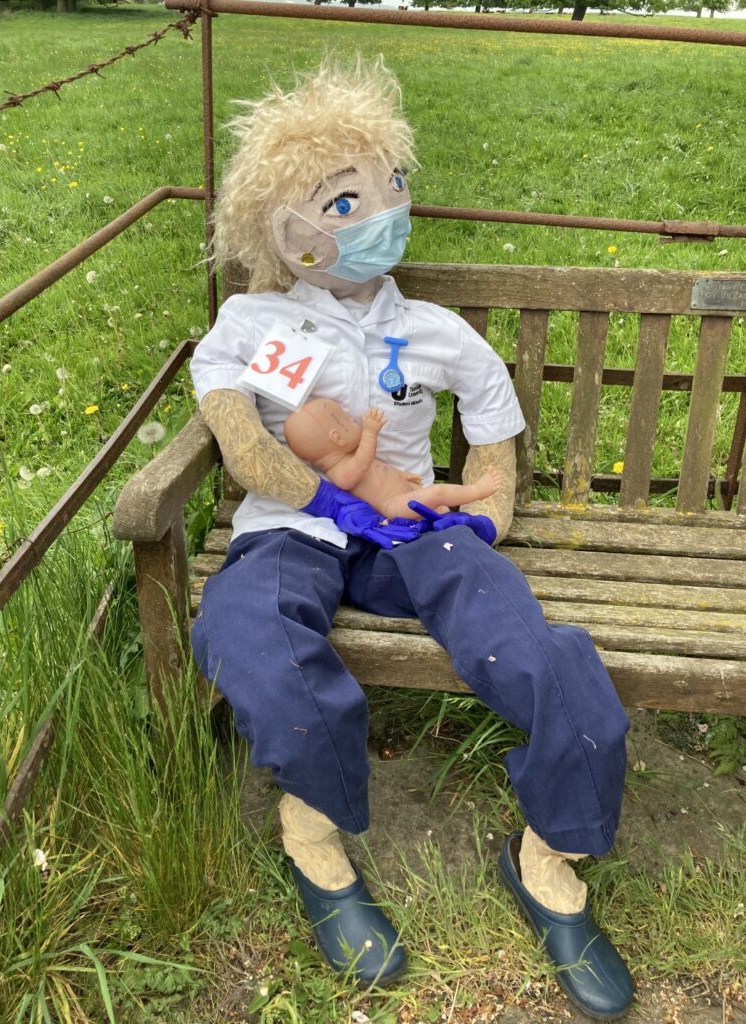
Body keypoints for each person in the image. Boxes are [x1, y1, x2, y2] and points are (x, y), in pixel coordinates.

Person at [189, 58, 634, 1018]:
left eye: (391, 185)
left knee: (541, 651)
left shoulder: (431, 328)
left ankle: (549, 858)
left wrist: (482, 517)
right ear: (288, 232)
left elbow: (492, 416)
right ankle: (314, 839)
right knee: (255, 638)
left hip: (416, 529)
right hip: (293, 529)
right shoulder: (255, 322)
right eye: (346, 201)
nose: (384, 212)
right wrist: (333, 497)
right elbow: (238, 440)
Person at [284, 398, 502, 521]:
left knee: (439, 507)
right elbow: (364, 462)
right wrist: (370, 432)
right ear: (337, 438)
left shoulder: (348, 459)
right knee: (437, 493)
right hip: (395, 508)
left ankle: (445, 523)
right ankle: (477, 491)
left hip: (405, 495)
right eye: (348, 420)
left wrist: (402, 476)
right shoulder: (341, 473)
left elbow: (379, 471)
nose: (354, 420)